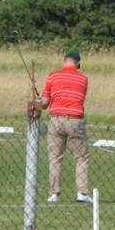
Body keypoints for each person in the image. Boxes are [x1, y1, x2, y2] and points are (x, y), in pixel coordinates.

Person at [38, 50, 90, 203]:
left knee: (55, 158)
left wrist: (39, 99)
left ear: (64, 61)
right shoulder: (83, 79)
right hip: (75, 120)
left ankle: (54, 194)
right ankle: (82, 193)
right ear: (78, 63)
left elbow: (44, 104)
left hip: (56, 120)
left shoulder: (53, 76)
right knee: (81, 158)